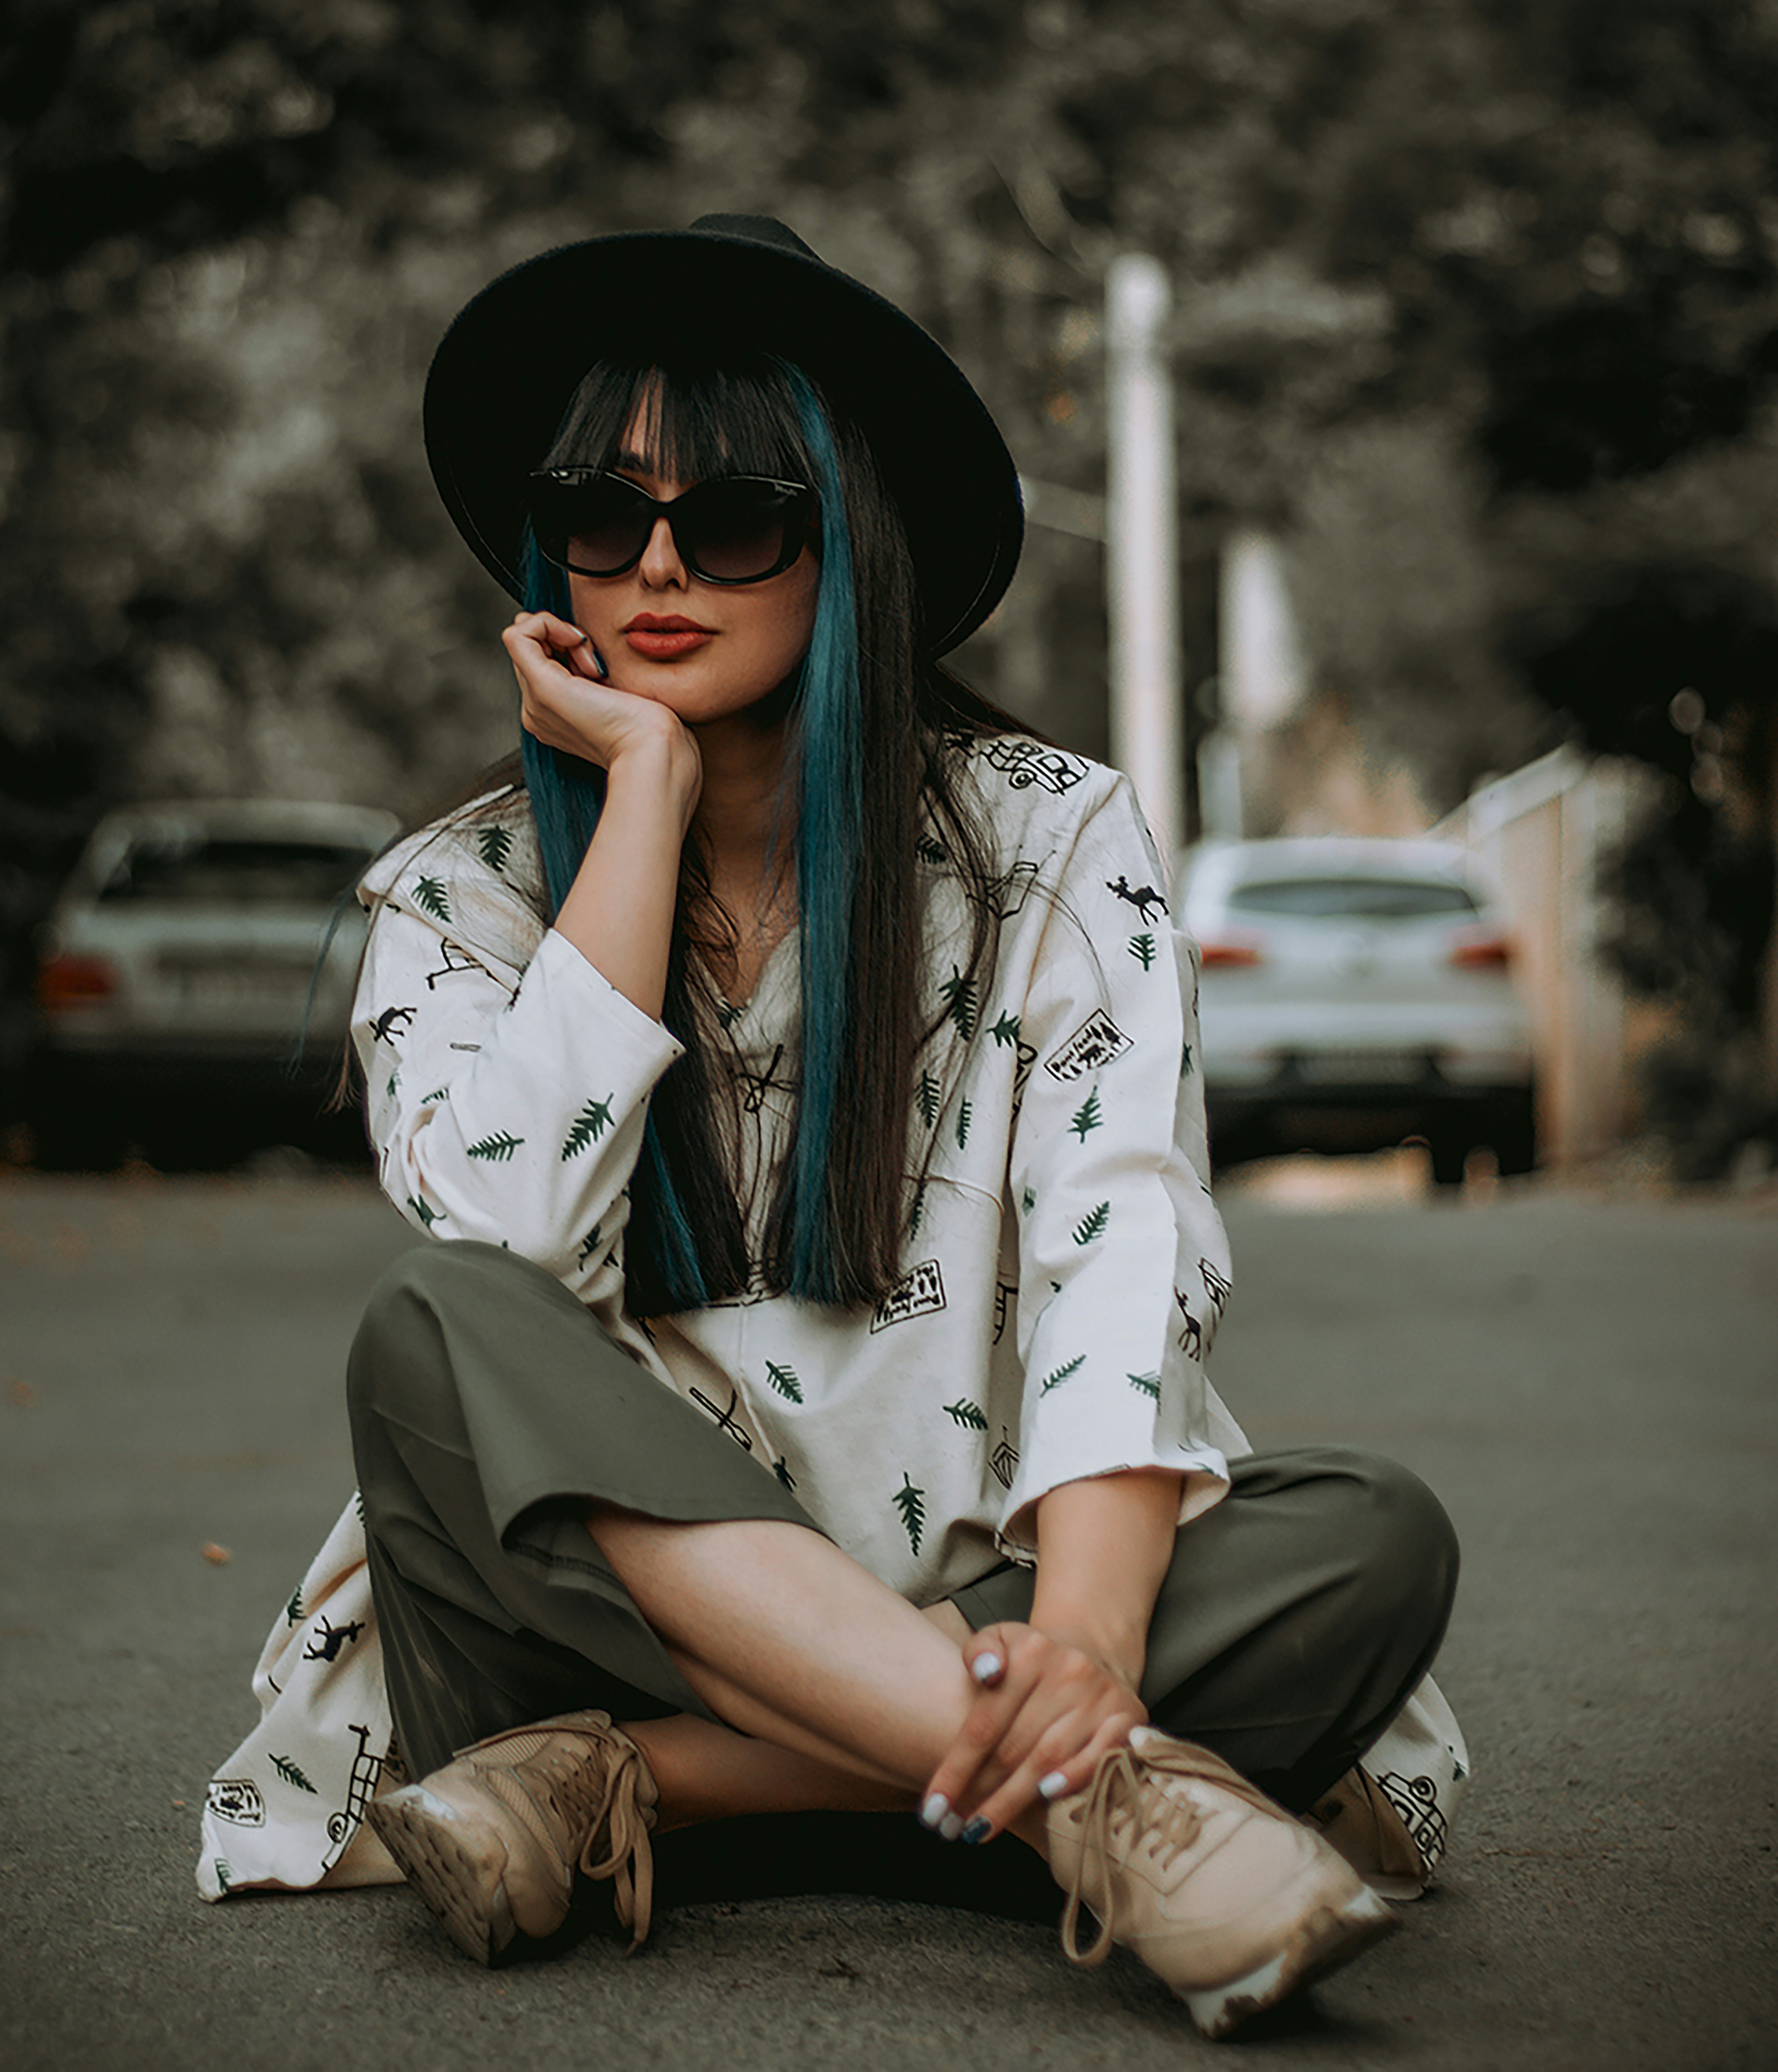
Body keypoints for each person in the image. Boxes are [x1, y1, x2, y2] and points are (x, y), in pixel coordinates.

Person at [197, 215, 1468, 2040]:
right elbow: (513, 1257)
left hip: (982, 1590)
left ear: (841, 536)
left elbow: (1124, 1238)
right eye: (598, 507)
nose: (654, 564)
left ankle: (655, 1788)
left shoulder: (1045, 838)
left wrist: (1092, 1645)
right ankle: (1090, 1802)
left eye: (730, 518)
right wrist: (635, 800)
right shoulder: (456, 899)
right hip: (578, 1618)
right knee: (434, 1322)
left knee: (1368, 1540)